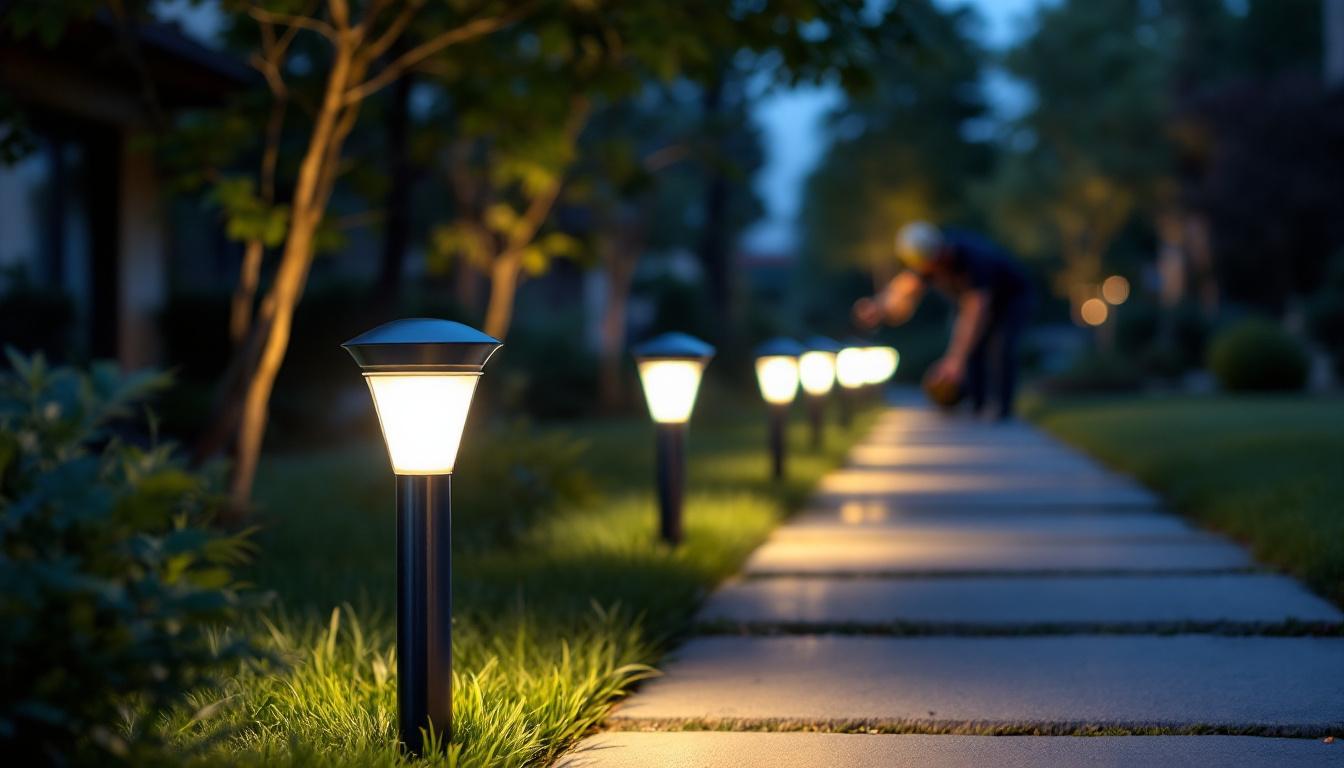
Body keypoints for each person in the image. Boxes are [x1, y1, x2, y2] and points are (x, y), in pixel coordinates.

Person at [854, 221, 1034, 420]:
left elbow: (975, 314)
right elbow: (906, 286)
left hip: (1011, 300)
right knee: (971, 347)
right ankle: (977, 404)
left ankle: (1002, 409)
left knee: (999, 347)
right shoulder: (927, 259)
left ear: (939, 253)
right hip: (970, 302)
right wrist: (878, 306)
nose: (925, 269)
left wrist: (955, 360)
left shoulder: (971, 259)